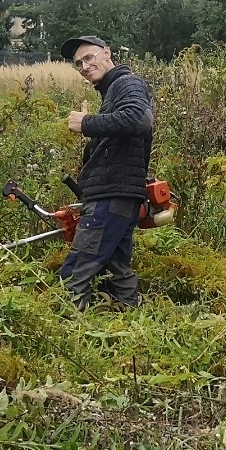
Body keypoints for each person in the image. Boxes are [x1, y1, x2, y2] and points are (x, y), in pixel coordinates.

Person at [57, 34, 153, 308]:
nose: (85, 66)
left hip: (112, 196)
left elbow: (139, 119)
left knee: (75, 273)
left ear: (107, 53)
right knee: (116, 269)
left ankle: (68, 337)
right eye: (79, 64)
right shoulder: (111, 91)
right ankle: (129, 326)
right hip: (117, 196)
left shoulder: (127, 83)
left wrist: (87, 123)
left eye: (89, 57)